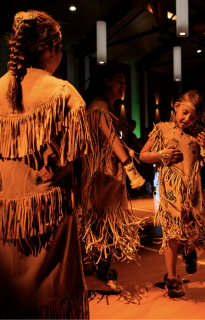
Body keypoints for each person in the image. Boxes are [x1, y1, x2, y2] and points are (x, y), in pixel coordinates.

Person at [0, 10, 90, 319]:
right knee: (54, 293)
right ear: (49, 49)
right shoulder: (63, 92)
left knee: (11, 291)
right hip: (51, 212)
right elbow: (76, 152)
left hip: (6, 214)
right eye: (60, 47)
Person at [140, 89, 205, 297]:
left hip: (192, 194)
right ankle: (171, 277)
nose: (187, 119)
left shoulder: (198, 133)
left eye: (193, 116)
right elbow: (143, 155)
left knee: (190, 229)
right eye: (185, 112)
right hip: (171, 194)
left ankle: (190, 252)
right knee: (172, 235)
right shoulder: (162, 130)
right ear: (176, 107)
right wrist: (161, 154)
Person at [81, 66, 145, 292]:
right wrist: (130, 168)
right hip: (103, 175)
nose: (124, 85)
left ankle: (97, 268)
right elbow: (111, 139)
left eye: (125, 81)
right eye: (120, 80)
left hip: (101, 175)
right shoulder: (99, 107)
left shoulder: (102, 107)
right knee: (104, 223)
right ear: (107, 82)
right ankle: (102, 271)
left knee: (98, 224)